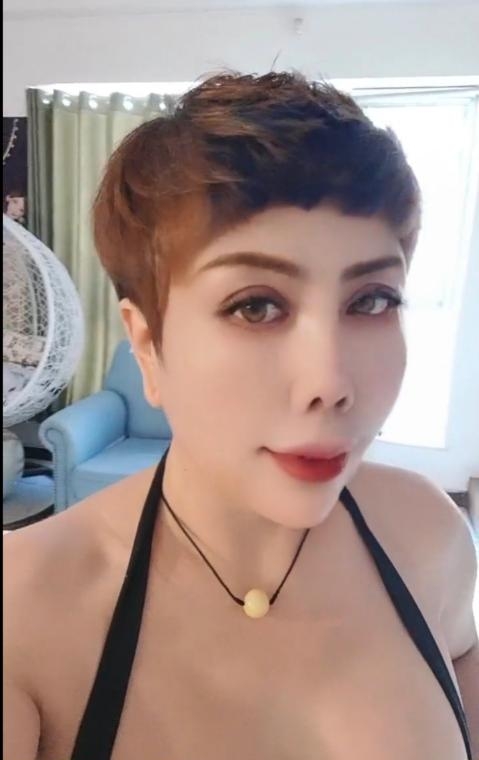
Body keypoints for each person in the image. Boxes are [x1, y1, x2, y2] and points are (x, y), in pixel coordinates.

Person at [4, 70, 478, 760]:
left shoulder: (430, 536)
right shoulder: (22, 612)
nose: (329, 384)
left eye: (371, 300)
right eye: (255, 306)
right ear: (148, 343)